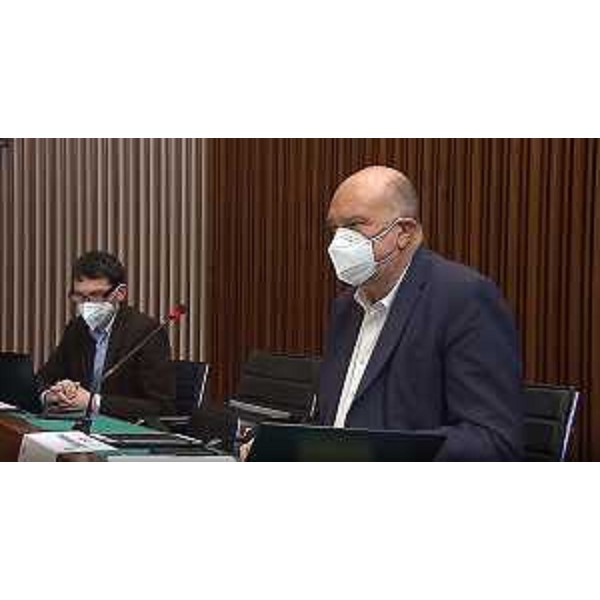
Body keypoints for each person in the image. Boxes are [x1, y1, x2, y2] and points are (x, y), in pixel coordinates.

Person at [319, 166, 523, 460]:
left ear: (404, 232)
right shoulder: (345, 307)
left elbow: (493, 440)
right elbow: (331, 421)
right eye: (334, 229)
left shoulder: (463, 298)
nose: (339, 242)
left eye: (354, 226)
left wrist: (376, 456)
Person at [37, 251, 176, 421]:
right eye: (80, 296)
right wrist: (52, 395)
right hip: (78, 425)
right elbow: (44, 379)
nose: (87, 305)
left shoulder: (146, 332)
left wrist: (94, 402)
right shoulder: (77, 328)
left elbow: (162, 407)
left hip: (124, 428)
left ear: (120, 293)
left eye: (96, 295)